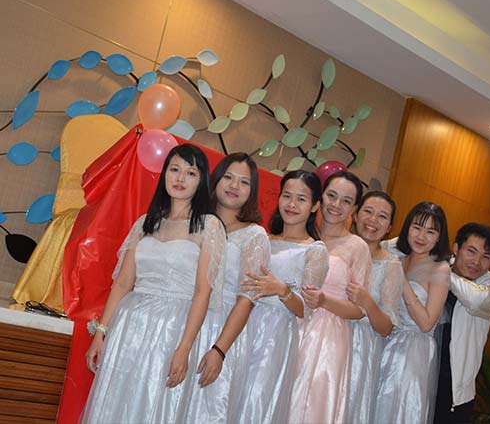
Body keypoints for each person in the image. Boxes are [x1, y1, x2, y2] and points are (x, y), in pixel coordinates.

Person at [80, 144, 226, 424]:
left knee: (154, 407)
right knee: (115, 405)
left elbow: (202, 292)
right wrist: (101, 332)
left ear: (201, 181)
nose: (180, 178)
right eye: (174, 169)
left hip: (173, 329)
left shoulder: (209, 226)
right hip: (129, 326)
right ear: (164, 174)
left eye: (190, 173)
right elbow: (123, 284)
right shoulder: (145, 223)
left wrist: (184, 348)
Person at [229, 170, 329, 424]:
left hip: (274, 335)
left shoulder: (315, 251)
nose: (291, 204)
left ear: (315, 205)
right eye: (287, 196)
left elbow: (305, 309)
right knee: (227, 397)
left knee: (255, 403)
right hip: (239, 321)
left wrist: (282, 290)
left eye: (301, 199)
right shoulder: (261, 237)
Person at [188, 153, 270, 423]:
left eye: (244, 182)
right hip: (183, 322)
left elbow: (247, 299)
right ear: (215, 180)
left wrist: (219, 350)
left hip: (222, 333)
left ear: (252, 191)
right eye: (229, 177)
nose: (235, 186)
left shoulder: (254, 235)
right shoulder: (193, 221)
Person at [290, 171, 372, 424]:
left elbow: (359, 310)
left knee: (311, 406)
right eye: (331, 196)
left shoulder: (357, 247)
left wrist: (324, 301)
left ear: (354, 209)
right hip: (288, 322)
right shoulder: (300, 232)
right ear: (320, 197)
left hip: (326, 337)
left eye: (346, 201)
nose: (336, 205)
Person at [374, 201, 451, 424]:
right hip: (385, 339)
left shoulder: (440, 268)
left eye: (431, 232)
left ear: (439, 237)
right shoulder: (398, 258)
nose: (421, 236)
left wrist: (402, 281)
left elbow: (427, 324)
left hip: (412, 351)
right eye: (417, 227)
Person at [434, 223, 490, 424]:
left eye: (486, 257)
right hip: (421, 373)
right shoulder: (436, 268)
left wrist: (439, 270)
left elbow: (475, 301)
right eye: (471, 251)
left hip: (455, 390)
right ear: (456, 248)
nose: (477, 262)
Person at [346, 191, 405, 423]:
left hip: (360, 350)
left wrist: (368, 303)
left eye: (382, 216)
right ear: (355, 214)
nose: (373, 220)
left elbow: (386, 328)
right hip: (326, 335)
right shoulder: (336, 247)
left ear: (389, 227)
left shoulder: (391, 264)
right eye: (368, 211)